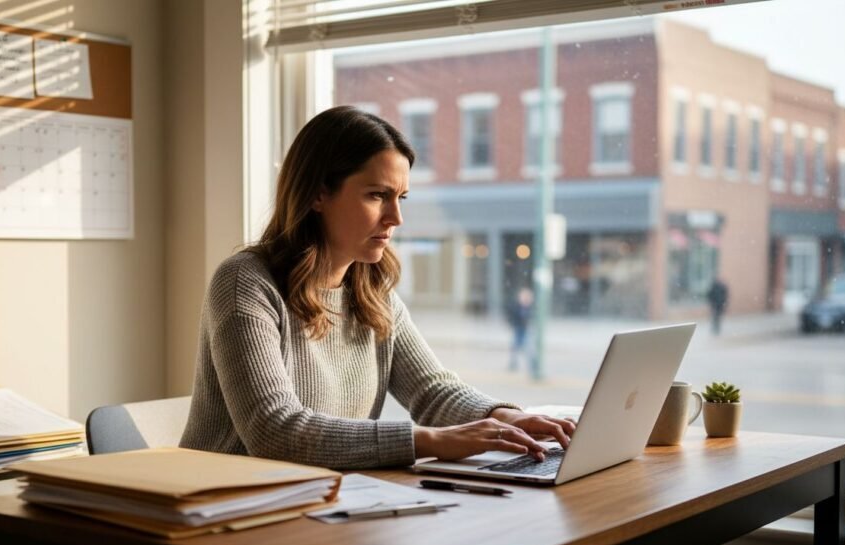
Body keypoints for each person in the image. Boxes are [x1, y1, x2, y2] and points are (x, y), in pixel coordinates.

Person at [180, 105, 575, 470]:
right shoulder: (245, 283)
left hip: (324, 499)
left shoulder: (371, 290)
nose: (396, 217)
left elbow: (431, 391)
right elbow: (275, 431)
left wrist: (504, 418)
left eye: (401, 197)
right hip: (223, 510)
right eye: (377, 195)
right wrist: (431, 441)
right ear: (318, 193)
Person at [506, 287, 533, 371]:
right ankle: (513, 363)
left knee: (526, 347)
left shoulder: (528, 308)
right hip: (518, 328)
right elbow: (512, 316)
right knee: (517, 347)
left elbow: (529, 318)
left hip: (524, 329)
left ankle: (531, 364)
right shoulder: (517, 307)